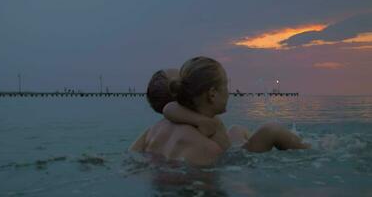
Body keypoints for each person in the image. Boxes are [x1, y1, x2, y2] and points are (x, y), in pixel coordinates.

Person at [130, 56, 309, 166]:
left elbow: (167, 110)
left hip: (228, 149)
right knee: (271, 130)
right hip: (233, 159)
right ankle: (313, 152)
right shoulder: (200, 137)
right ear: (212, 94)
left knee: (236, 129)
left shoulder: (165, 124)